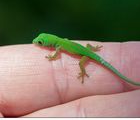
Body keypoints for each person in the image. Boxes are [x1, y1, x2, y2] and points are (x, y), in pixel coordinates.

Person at [0, 41, 140, 117]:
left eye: (41, 43)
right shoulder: (60, 41)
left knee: (80, 63)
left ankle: (83, 72)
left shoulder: (59, 46)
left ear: (50, 43)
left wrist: (51, 57)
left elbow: (56, 56)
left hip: (86, 55)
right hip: (88, 50)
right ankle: (94, 48)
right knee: (88, 50)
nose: (37, 43)